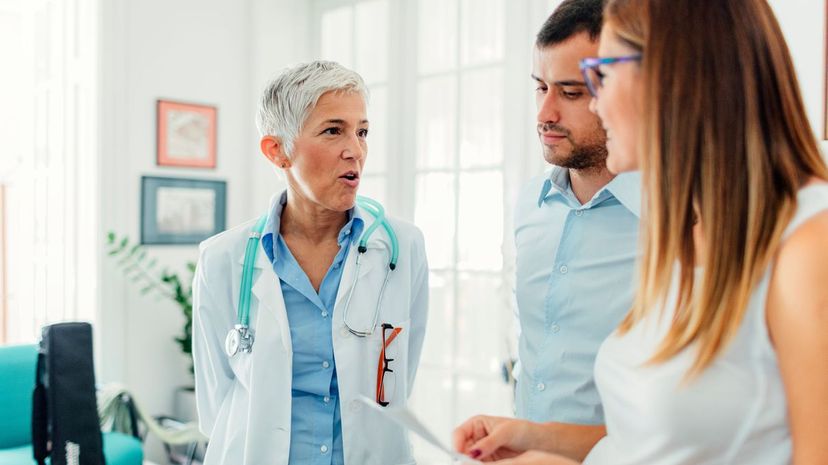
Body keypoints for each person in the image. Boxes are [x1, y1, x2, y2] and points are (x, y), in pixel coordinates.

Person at [453, 0, 828, 463]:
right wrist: (537, 440)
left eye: (601, 76)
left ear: (676, 79)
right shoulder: (683, 234)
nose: (598, 100)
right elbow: (645, 445)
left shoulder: (809, 243)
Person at [192, 61, 429, 465]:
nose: (355, 149)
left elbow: (399, 379)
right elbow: (218, 403)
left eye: (362, 131)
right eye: (333, 130)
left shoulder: (401, 248)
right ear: (277, 151)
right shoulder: (223, 259)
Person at [456, 0, 641, 461]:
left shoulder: (680, 224)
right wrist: (517, 436)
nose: (544, 113)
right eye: (540, 88)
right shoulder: (529, 205)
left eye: (571, 93)